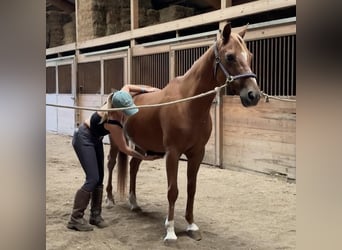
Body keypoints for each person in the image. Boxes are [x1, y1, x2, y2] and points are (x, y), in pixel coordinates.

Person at [67, 84, 160, 231]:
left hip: (94, 139)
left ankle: (95, 216)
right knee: (92, 178)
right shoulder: (113, 123)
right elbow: (125, 149)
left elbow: (127, 86)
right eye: (126, 110)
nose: (128, 113)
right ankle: (75, 218)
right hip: (83, 138)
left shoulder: (118, 97)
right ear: (118, 109)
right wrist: (144, 157)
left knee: (100, 178)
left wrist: (146, 90)